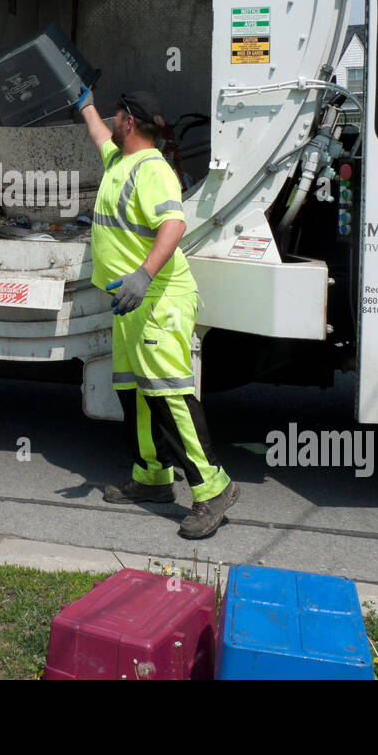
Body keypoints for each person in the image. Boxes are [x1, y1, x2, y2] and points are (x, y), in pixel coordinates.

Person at [74, 86, 238, 539]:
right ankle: (153, 477)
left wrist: (144, 274)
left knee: (168, 394)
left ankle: (212, 487)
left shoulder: (153, 170)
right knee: (134, 390)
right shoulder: (120, 161)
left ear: (128, 120)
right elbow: (97, 135)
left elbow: (174, 223)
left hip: (157, 298)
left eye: (113, 113)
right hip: (130, 303)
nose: (109, 120)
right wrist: (84, 103)